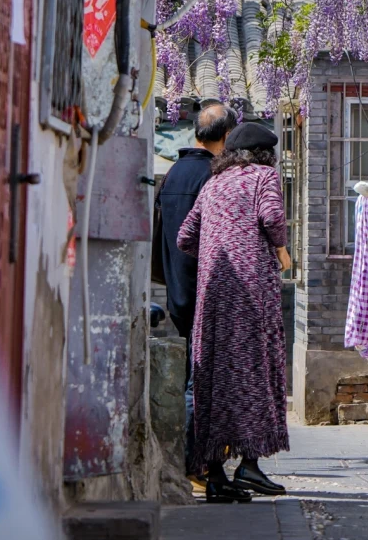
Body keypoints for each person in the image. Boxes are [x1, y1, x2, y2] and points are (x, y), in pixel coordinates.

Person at [177, 119, 292, 504]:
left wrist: (216, 251)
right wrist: (278, 250)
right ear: (265, 154)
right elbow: (272, 218)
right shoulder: (263, 177)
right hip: (251, 291)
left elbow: (185, 237)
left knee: (213, 376)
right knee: (254, 368)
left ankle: (214, 475)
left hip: (213, 293)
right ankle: (250, 464)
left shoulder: (213, 185)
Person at [158, 100, 236, 475]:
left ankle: (198, 463)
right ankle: (199, 466)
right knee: (202, 382)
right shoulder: (214, 178)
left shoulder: (173, 174)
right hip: (206, 294)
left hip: (177, 292)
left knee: (194, 375)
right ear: (225, 136)